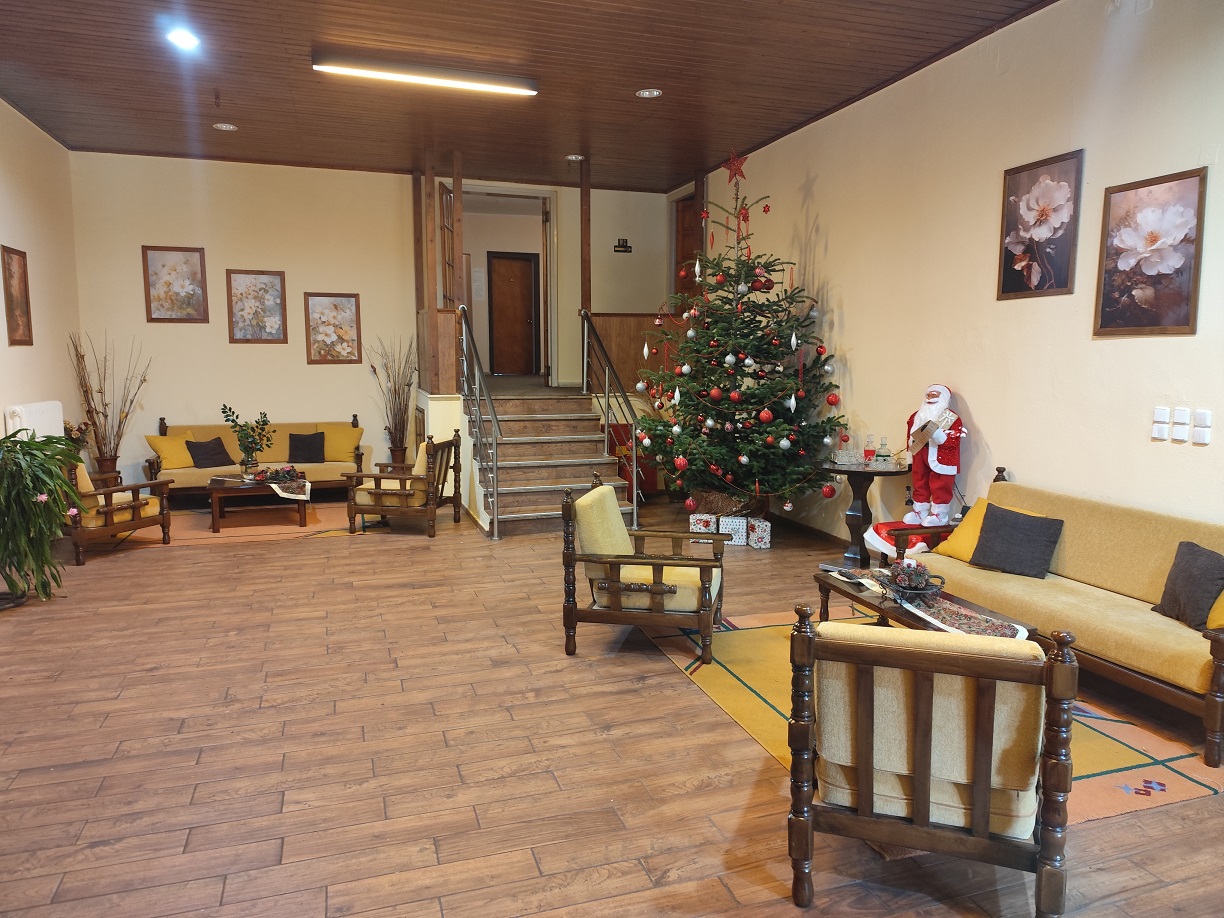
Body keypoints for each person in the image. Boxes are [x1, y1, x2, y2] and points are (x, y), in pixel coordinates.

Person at [902, 384, 965, 526]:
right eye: (928, 395)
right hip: (919, 452)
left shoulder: (951, 418)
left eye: (934, 395)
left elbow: (954, 440)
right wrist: (910, 454)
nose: (930, 398)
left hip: (941, 456)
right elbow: (909, 436)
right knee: (919, 482)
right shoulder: (916, 416)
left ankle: (940, 515)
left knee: (940, 485)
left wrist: (938, 435)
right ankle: (920, 511)